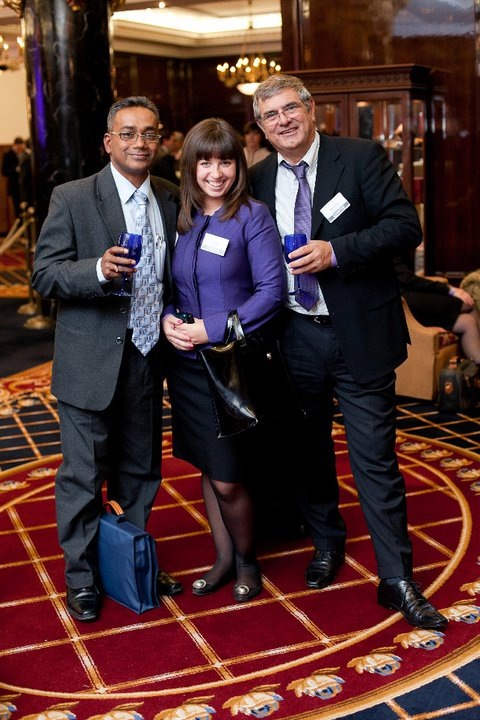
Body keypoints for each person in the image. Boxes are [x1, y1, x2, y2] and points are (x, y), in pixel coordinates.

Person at [248, 73, 448, 630]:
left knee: (375, 459)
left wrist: (335, 252)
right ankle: (327, 542)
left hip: (359, 332)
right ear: (261, 127)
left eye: (290, 108)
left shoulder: (359, 157)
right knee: (307, 451)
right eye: (270, 115)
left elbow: (404, 227)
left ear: (310, 109)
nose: (283, 121)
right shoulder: (258, 178)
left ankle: (397, 578)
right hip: (294, 336)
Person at [31, 96, 183, 622]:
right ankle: (82, 577)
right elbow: (43, 274)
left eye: (149, 133)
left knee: (140, 470)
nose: (140, 142)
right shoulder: (73, 196)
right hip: (89, 360)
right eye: (128, 133)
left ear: (159, 141)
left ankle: (129, 562)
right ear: (108, 142)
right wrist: (96, 270)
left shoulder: (170, 197)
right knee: (83, 475)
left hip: (148, 356)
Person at [161, 117, 286, 603]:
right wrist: (170, 319)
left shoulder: (252, 216)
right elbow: (174, 288)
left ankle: (248, 561)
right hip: (187, 366)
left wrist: (209, 329)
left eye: (226, 162)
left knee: (230, 475)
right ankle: (224, 558)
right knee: (208, 466)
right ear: (190, 167)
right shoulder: (184, 218)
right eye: (205, 162)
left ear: (239, 165)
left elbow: (271, 293)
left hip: (232, 362)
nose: (216, 173)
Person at [395, 253, 480, 364]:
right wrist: (449, 289)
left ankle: (475, 366)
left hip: (411, 294)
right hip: (402, 300)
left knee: (468, 321)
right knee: (467, 303)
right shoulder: (388, 245)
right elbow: (408, 279)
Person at [1, 136, 26, 218]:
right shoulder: (8, 155)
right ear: (14, 146)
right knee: (17, 209)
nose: (20, 150)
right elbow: (4, 172)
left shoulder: (26, 154)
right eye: (18, 148)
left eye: (21, 148)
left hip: (25, 187)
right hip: (15, 186)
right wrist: (15, 170)